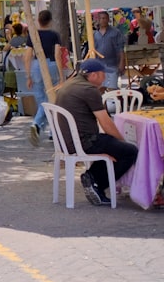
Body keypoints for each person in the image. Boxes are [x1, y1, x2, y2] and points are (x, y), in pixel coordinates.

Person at [55, 59, 139, 206]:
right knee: (129, 151)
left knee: (112, 146)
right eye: (103, 74)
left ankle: (92, 177)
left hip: (67, 140)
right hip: (84, 141)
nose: (105, 78)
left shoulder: (70, 83)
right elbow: (106, 123)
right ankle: (96, 183)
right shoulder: (89, 90)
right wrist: (121, 141)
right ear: (94, 75)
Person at [23, 9, 65, 147]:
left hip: (36, 65)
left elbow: (27, 55)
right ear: (50, 21)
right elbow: (57, 54)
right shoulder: (54, 35)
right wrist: (60, 75)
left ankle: (46, 128)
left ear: (38, 21)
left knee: (41, 99)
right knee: (52, 99)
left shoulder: (33, 35)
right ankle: (41, 125)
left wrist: (28, 75)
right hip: (51, 64)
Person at [92, 10, 126, 91]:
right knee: (100, 89)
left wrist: (122, 63)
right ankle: (103, 104)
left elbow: (121, 48)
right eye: (101, 18)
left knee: (112, 88)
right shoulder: (95, 34)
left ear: (108, 19)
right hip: (99, 66)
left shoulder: (115, 32)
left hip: (112, 65)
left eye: (105, 18)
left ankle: (115, 103)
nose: (103, 20)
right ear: (98, 20)